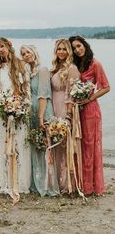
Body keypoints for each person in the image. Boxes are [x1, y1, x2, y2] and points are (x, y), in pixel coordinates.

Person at [0, 37, 31, 203]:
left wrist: (22, 106)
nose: (0, 50)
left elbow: (26, 87)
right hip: (3, 112)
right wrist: (3, 107)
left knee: (19, 146)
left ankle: (20, 182)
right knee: (4, 147)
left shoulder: (21, 65)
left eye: (1, 47)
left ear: (8, 46)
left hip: (19, 110)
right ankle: (4, 181)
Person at [69, 36, 110, 196]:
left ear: (85, 45)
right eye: (74, 48)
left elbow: (106, 87)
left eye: (79, 46)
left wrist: (88, 98)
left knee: (90, 146)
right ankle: (79, 183)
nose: (77, 50)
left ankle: (91, 186)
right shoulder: (75, 65)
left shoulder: (95, 64)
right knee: (78, 146)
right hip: (76, 109)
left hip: (90, 110)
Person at [20, 45, 59, 197]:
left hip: (43, 110)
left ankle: (48, 185)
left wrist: (41, 117)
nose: (26, 55)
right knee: (36, 146)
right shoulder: (28, 72)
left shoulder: (43, 70)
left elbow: (43, 95)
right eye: (23, 54)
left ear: (35, 53)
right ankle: (37, 182)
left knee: (46, 146)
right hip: (32, 111)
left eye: (28, 52)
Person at [50, 38, 81, 194]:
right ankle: (57, 182)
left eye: (64, 49)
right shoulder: (56, 68)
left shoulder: (72, 68)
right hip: (54, 107)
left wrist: (68, 115)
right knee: (56, 146)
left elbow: (72, 95)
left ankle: (68, 184)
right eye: (58, 49)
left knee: (65, 145)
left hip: (64, 108)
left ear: (69, 51)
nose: (61, 52)